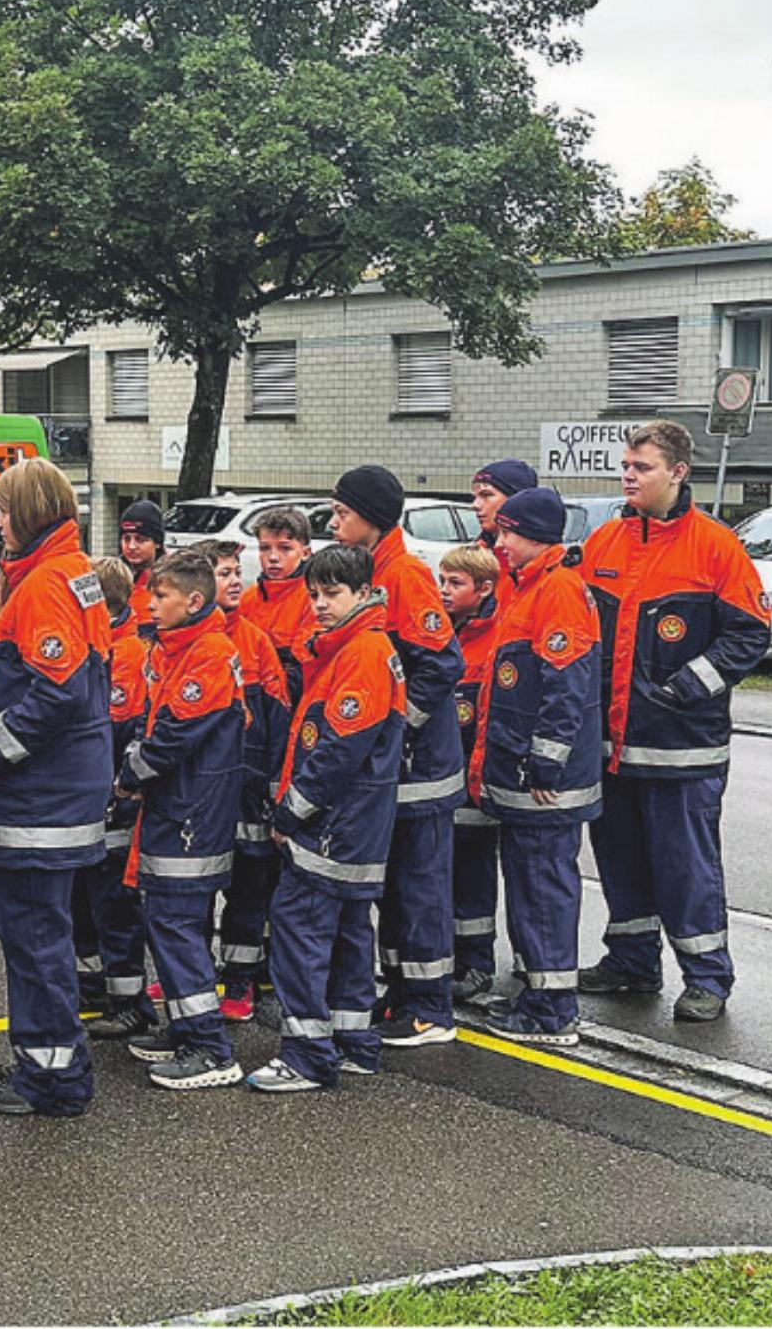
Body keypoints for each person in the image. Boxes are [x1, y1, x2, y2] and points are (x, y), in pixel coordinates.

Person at [578, 420, 770, 1022]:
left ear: (678, 473)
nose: (628, 475)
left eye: (642, 467)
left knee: (687, 869)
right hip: (613, 747)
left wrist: (685, 689)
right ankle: (632, 963)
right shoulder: (605, 542)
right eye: (626, 466)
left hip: (682, 749)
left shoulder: (715, 546)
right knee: (621, 862)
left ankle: (708, 978)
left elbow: (750, 634)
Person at [0, 458, 113, 1117]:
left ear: (29, 513)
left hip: (38, 799)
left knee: (33, 941)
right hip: (57, 793)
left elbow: (57, 696)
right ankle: (47, 1062)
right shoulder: (68, 573)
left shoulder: (48, 583)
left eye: (2, 510)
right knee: (39, 937)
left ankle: (51, 1076)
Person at [256, 545, 406, 1092]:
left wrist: (291, 811)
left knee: (300, 930)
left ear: (363, 594)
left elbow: (339, 748)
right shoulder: (352, 647)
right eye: (314, 593)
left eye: (332, 594)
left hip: (335, 825)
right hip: (354, 823)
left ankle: (307, 1054)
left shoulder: (363, 651)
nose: (319, 604)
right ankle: (353, 1042)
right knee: (346, 935)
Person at [328, 464, 466, 1048]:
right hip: (398, 767)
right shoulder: (376, 572)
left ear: (372, 518)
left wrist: (398, 726)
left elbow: (441, 663)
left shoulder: (404, 575)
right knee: (396, 887)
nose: (334, 523)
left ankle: (432, 1006)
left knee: (420, 886)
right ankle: (405, 990)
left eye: (343, 513)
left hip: (422, 768)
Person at [471, 487, 605, 1046]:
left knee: (544, 888)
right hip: (527, 778)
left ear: (536, 536)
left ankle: (552, 1012)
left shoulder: (557, 592)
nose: (498, 542)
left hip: (545, 786)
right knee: (531, 887)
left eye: (508, 532)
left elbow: (564, 687)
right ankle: (541, 999)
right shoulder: (531, 587)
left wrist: (545, 765)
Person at [113, 550, 248, 1091]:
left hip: (191, 817)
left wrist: (127, 775)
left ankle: (211, 1049)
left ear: (193, 601)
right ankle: (187, 1027)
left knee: (176, 926)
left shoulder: (208, 653)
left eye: (161, 595)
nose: (151, 604)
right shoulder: (180, 648)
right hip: (177, 812)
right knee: (166, 925)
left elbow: (172, 738)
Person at [194, 539, 292, 1022]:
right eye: (223, 573)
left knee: (249, 889)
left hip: (248, 793)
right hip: (198, 795)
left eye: (237, 572)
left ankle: (239, 979)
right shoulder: (179, 639)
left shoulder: (255, 642)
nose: (236, 581)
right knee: (190, 890)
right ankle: (193, 972)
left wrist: (273, 784)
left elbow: (278, 721)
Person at [80, 556, 153, 1038]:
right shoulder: (102, 646)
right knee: (82, 901)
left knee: (114, 904)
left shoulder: (126, 654)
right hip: (86, 799)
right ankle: (90, 980)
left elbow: (115, 726)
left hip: (114, 802)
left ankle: (130, 1001)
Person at [437, 543, 504, 1004]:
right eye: (442, 581)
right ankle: (452, 959)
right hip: (445, 775)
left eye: (455, 584)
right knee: (445, 875)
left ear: (483, 589)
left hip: (475, 778)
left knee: (474, 876)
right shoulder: (444, 631)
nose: (444, 592)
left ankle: (477, 963)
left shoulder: (493, 635)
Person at [240, 505, 317, 702]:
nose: (273, 557)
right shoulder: (247, 599)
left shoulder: (314, 599)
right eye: (265, 548)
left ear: (306, 552)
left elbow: (305, 668)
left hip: (288, 702)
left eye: (285, 548)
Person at [470, 459, 538, 571]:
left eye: (486, 495)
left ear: (516, 499)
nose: (475, 505)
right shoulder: (476, 555)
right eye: (475, 497)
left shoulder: (540, 564)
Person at [117, 499, 165, 629]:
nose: (132, 546)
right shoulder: (113, 576)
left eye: (140, 539)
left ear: (157, 543)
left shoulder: (173, 578)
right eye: (126, 538)